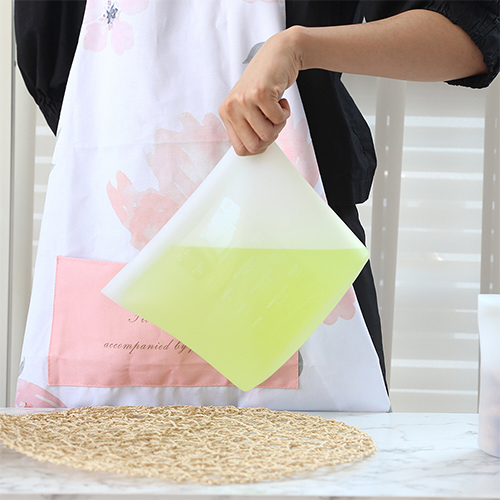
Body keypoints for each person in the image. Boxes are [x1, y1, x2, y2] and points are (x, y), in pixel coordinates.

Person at [13, 0, 499, 410]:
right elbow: (51, 68)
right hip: (112, 241)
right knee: (95, 462)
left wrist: (299, 47)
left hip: (289, 252)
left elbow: (472, 36)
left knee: (313, 465)